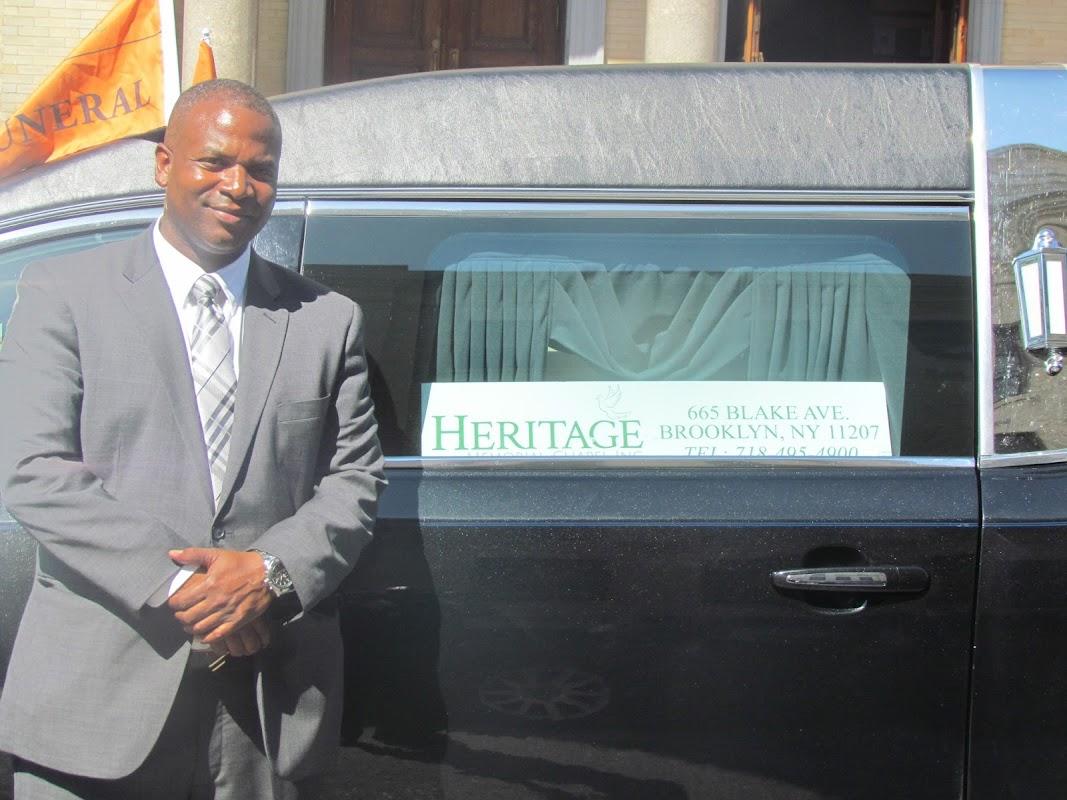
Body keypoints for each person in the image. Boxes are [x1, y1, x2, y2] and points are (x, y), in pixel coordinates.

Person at [0, 79, 385, 798]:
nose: (238, 185)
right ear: (163, 164)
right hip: (96, 705)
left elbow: (354, 483)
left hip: (265, 713)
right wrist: (193, 590)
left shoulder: (326, 320)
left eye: (260, 169)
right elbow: (32, 470)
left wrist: (268, 574)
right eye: (213, 161)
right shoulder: (62, 293)